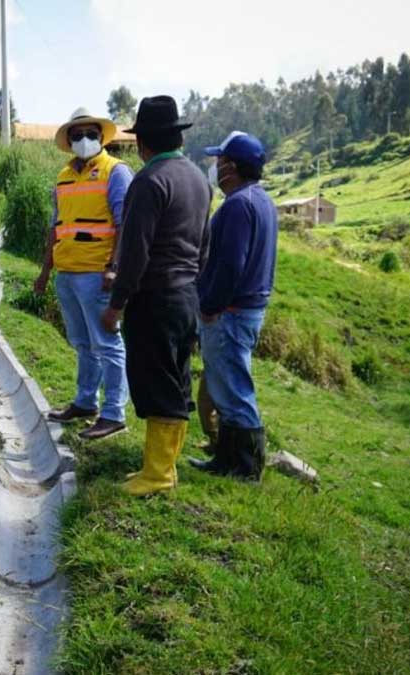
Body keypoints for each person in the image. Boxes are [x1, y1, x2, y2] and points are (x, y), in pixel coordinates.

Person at [100, 96, 211, 496]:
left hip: (156, 297)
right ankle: (164, 466)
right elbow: (204, 245)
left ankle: (158, 475)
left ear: (143, 142)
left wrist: (117, 304)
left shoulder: (149, 181)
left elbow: (135, 251)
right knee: (177, 378)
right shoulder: (199, 178)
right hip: (187, 296)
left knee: (156, 381)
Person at [34, 108, 133, 440]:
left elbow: (125, 225)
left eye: (91, 134)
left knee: (107, 343)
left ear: (102, 137)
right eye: (77, 135)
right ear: (69, 140)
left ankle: (114, 413)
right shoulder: (63, 177)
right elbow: (55, 226)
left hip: (98, 273)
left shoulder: (115, 172)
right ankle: (85, 401)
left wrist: (114, 268)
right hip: (67, 272)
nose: (84, 140)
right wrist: (45, 272)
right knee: (81, 343)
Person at [189, 131, 278, 481]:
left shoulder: (239, 205)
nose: (215, 167)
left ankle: (246, 468)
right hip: (245, 310)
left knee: (235, 390)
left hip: (231, 312)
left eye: (219, 161)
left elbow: (230, 264)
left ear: (232, 166)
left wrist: (211, 304)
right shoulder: (261, 201)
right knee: (226, 388)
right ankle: (225, 460)